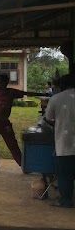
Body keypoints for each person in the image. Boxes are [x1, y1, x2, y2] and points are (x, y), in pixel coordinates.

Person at [0, 73, 46, 173]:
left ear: (5, 83)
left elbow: (26, 93)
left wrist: (44, 95)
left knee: (12, 143)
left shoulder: (11, 92)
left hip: (4, 122)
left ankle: (23, 165)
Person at [42, 73, 75, 208]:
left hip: (65, 141)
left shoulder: (56, 98)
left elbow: (48, 118)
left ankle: (66, 201)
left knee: (64, 174)